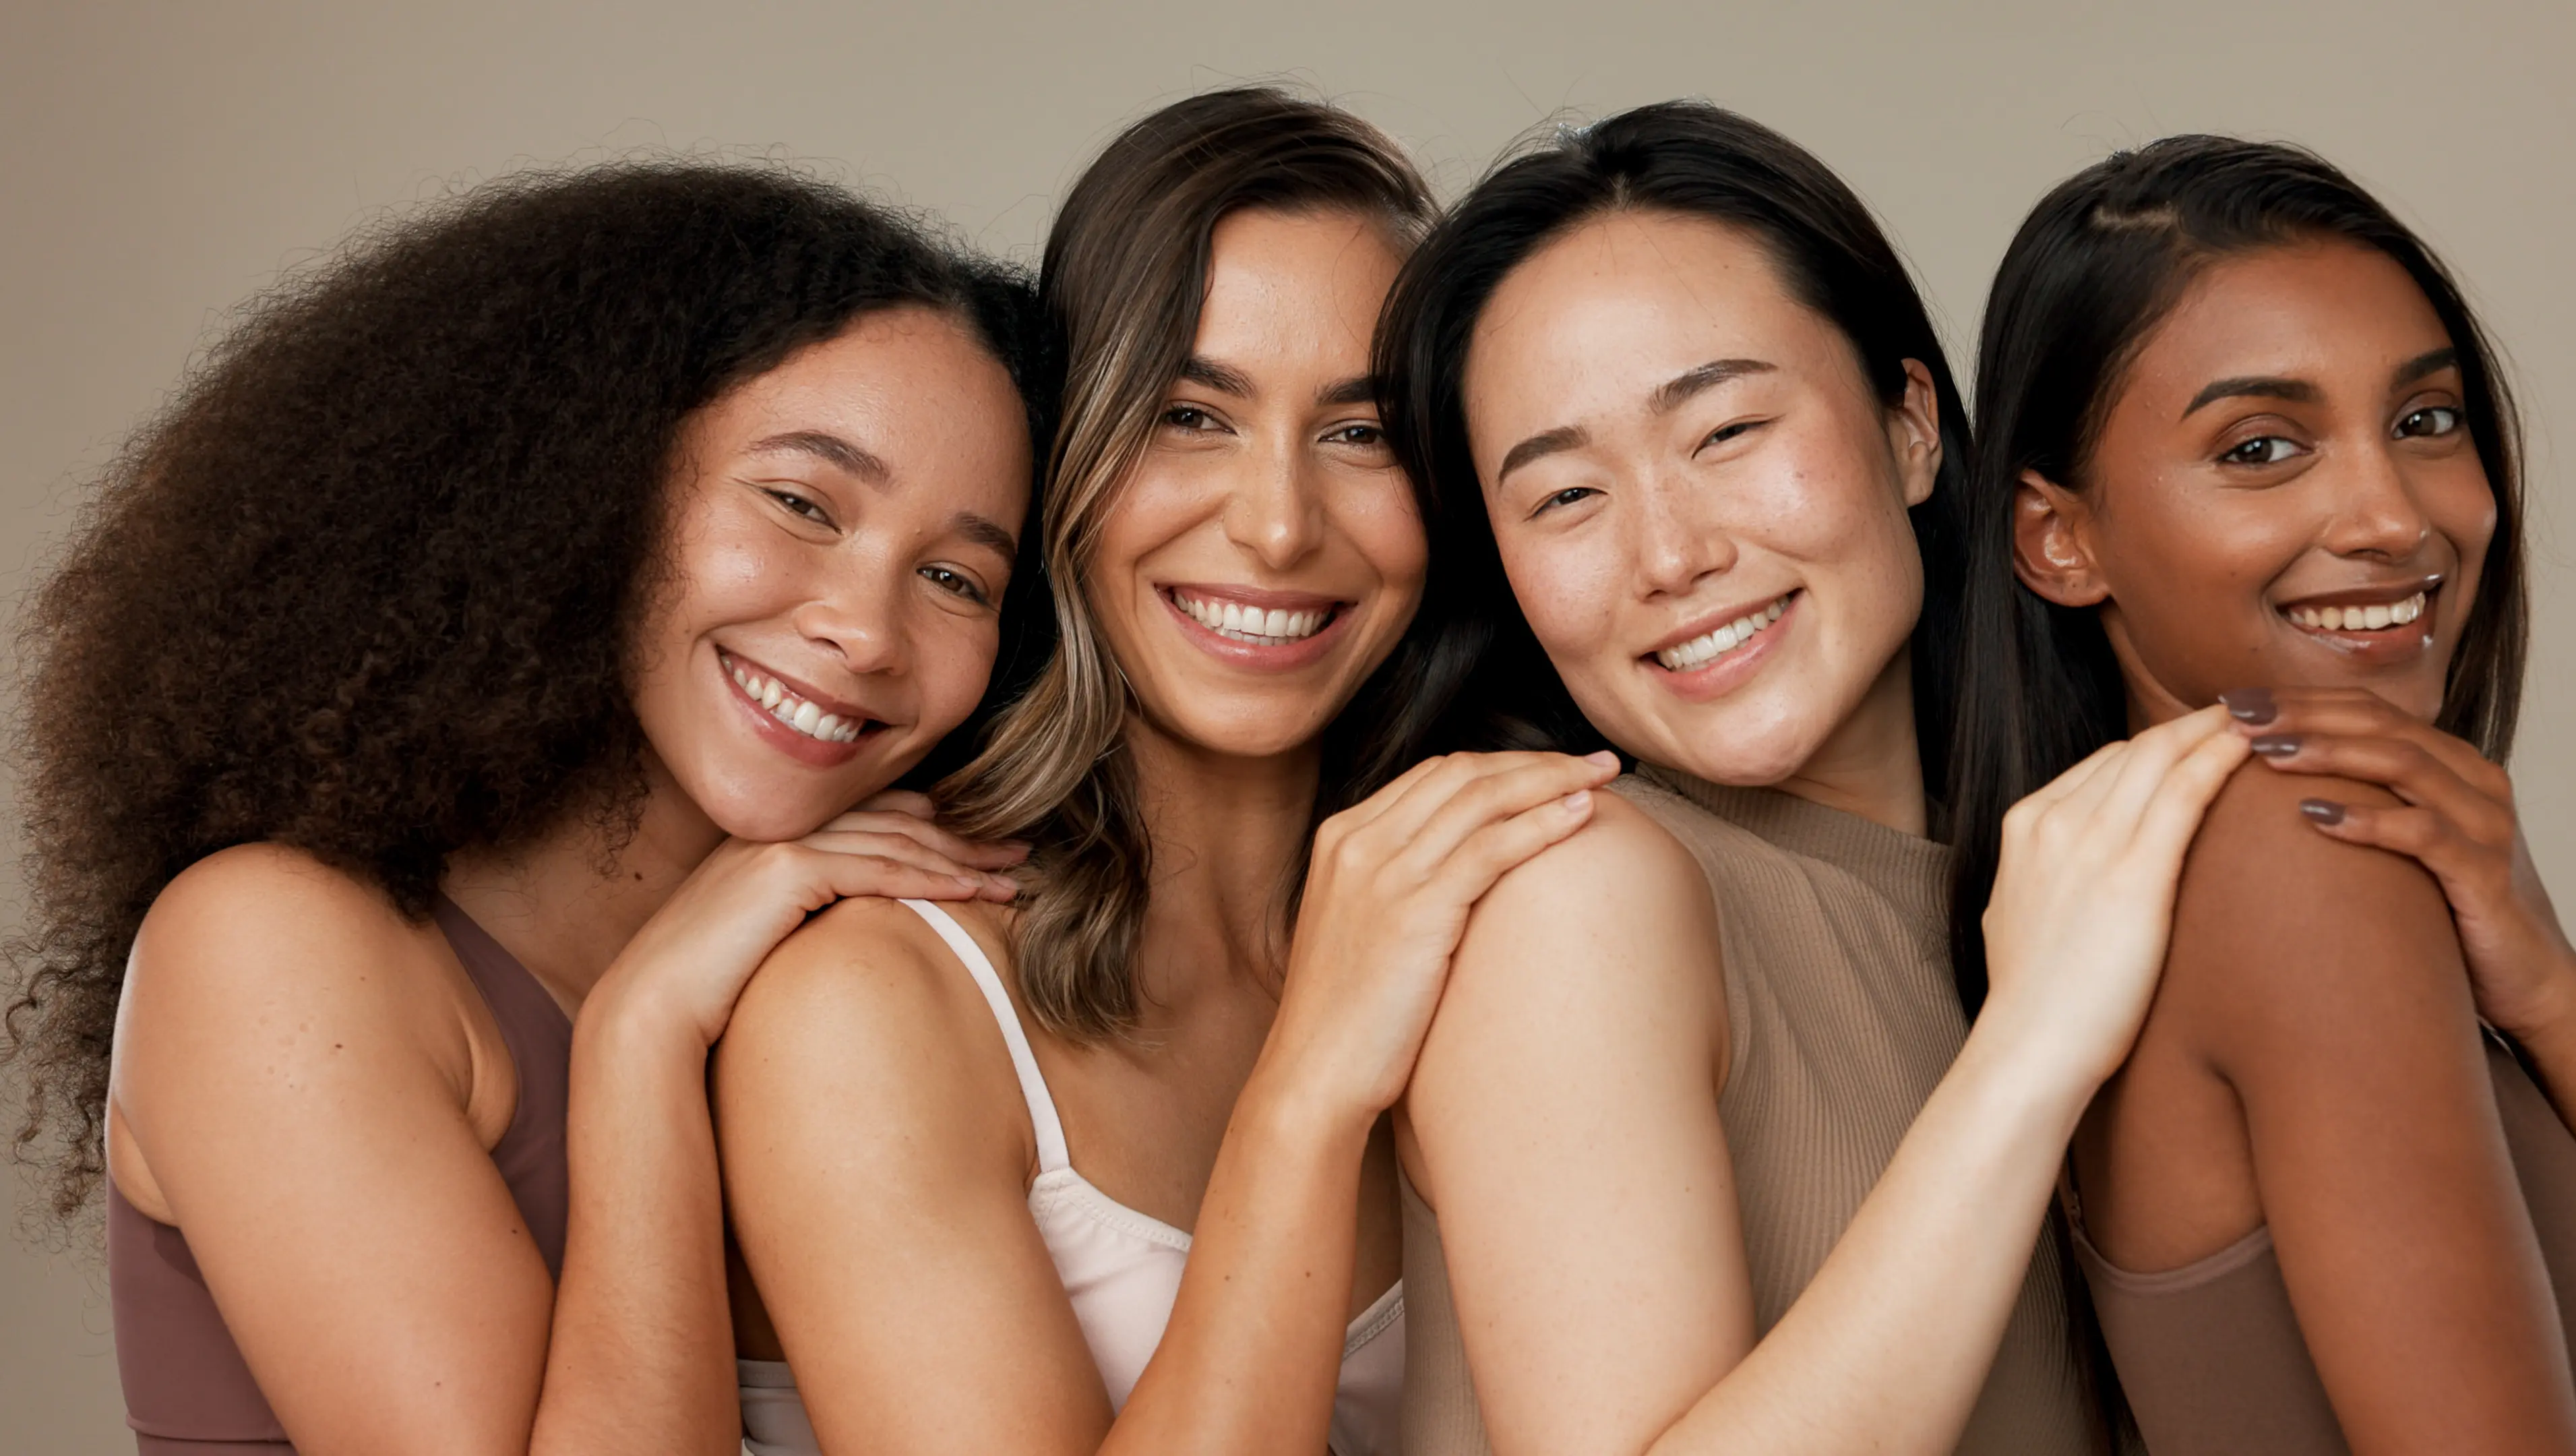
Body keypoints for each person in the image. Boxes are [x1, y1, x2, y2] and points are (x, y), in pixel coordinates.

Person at [3, 164, 1051, 1455]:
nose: (866, 629)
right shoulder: (271, 947)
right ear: (595, 480)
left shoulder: (849, 973)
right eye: (799, 503)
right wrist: (642, 1036)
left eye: (954, 576)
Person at [713, 88, 1612, 1456]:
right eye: (1191, 416)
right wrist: (1308, 1089)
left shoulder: (1506, 917)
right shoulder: (871, 1003)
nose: (1272, 525)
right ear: (1062, 450)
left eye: (1360, 434)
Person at [1373, 102, 2251, 1456]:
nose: (1667, 554)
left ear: (1908, 429)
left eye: (1722, 431)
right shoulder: (1572, 898)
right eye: (1563, 498)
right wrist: (2028, 1056)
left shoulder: (2060, 871)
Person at [1951, 134, 2576, 1455]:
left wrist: (2555, 995)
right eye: (2261, 446)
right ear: (2060, 540)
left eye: (2422, 421)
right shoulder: (2294, 850)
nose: (2390, 516)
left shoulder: (2251, 861)